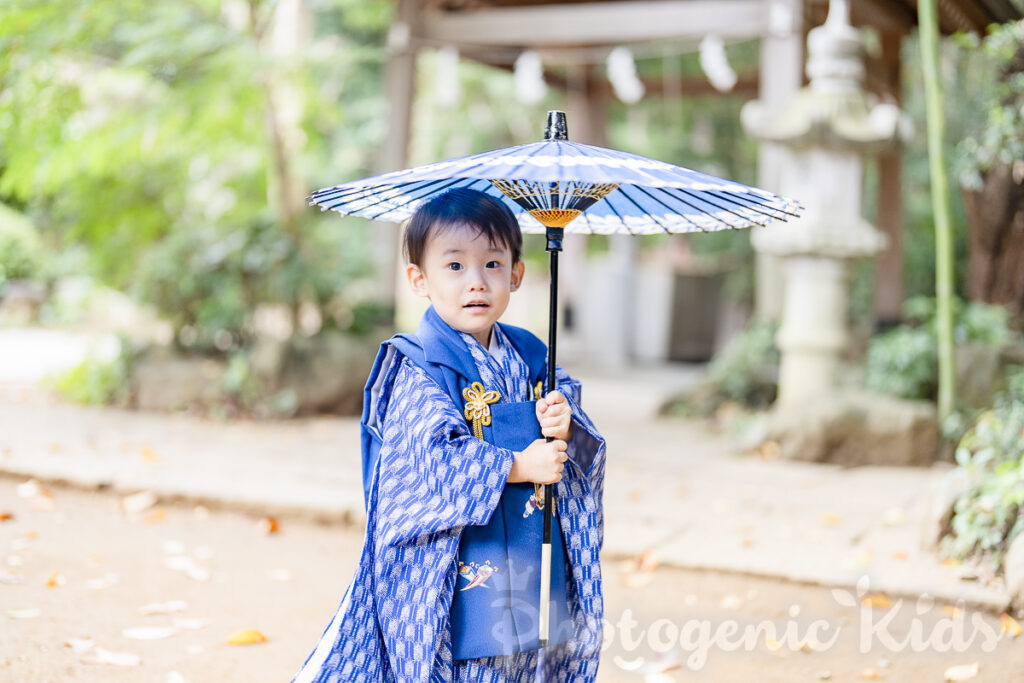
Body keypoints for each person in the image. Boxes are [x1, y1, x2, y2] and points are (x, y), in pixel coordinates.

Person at [290, 188, 606, 682]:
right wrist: (520, 466)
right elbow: (430, 461)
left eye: (493, 264)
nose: (476, 282)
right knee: (476, 661)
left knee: (529, 658)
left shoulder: (529, 353)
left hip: (531, 548)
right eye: (455, 266)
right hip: (462, 562)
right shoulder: (418, 367)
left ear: (517, 275)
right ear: (419, 279)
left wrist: (565, 421)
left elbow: (578, 441)